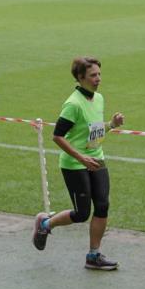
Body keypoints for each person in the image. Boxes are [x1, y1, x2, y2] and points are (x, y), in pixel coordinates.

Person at [31, 56, 124, 271]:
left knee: (102, 205)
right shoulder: (73, 104)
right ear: (81, 78)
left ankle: (93, 255)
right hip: (75, 164)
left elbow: (93, 131)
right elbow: (57, 136)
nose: (98, 79)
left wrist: (111, 124)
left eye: (99, 74)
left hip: (97, 158)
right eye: (93, 75)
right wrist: (81, 158)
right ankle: (44, 224)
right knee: (82, 213)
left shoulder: (98, 99)